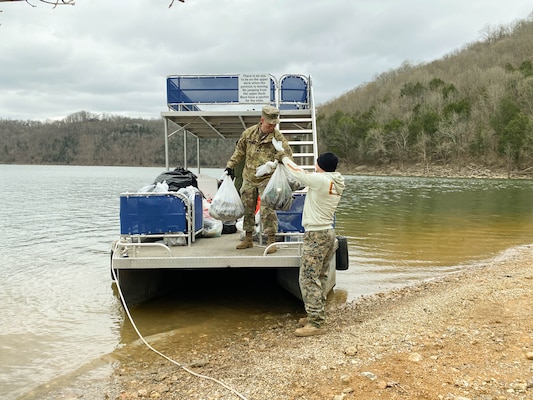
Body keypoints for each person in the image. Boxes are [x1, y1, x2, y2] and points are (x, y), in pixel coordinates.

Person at [277, 151, 345, 337]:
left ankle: (316, 322)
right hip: (328, 233)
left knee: (307, 277)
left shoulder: (321, 180)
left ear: (320, 165)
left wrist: (283, 158)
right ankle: (316, 314)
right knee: (320, 276)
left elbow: (298, 174)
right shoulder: (335, 181)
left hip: (316, 234)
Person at [225, 105, 293, 253]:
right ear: (262, 120)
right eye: (270, 124)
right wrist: (230, 166)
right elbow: (239, 152)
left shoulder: (277, 137)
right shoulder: (248, 133)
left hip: (267, 178)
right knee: (247, 208)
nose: (272, 126)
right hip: (249, 177)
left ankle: (271, 240)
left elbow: (287, 154)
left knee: (267, 208)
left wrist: (275, 162)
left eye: (275, 124)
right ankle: (248, 239)